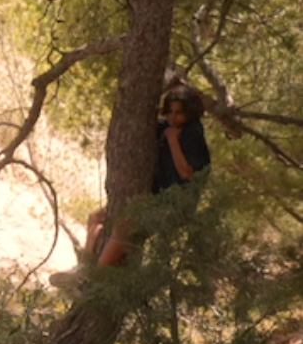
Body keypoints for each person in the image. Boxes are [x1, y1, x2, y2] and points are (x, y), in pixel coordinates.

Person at [53, 85, 212, 284]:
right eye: (170, 111)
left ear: (190, 112)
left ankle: (91, 279)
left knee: (123, 227)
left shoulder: (192, 133)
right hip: (156, 197)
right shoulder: (169, 127)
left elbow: (187, 173)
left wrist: (172, 141)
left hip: (175, 205)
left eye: (179, 113)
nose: (173, 117)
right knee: (96, 218)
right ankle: (84, 267)